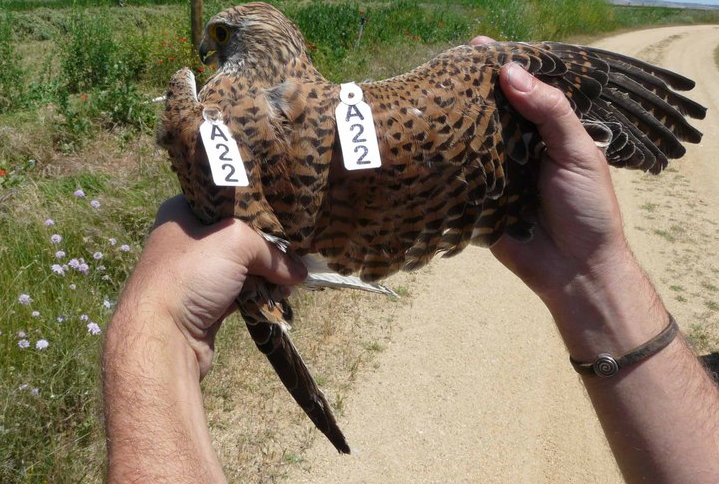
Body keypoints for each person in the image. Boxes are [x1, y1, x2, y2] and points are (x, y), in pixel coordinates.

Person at [102, 60, 719, 483]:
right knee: (488, 68)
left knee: (489, 70)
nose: (213, 55)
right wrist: (595, 268)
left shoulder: (219, 102)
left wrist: (159, 329)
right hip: (266, 245)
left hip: (244, 256)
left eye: (221, 40)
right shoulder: (245, 105)